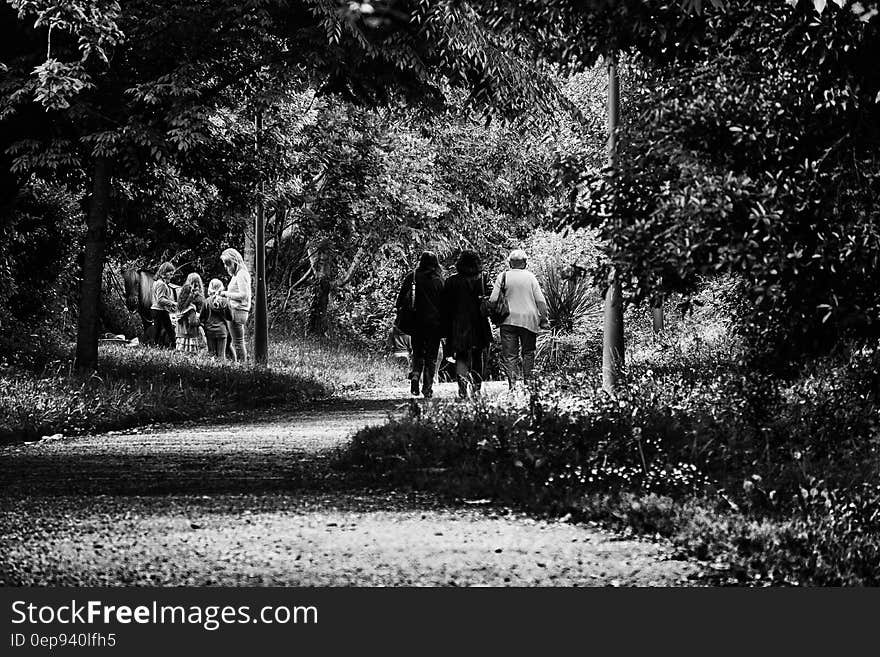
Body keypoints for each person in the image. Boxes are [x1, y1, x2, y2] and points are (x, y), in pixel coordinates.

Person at [489, 249, 548, 390]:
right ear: (525, 263)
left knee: (510, 355)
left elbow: (492, 300)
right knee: (528, 352)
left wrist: (493, 312)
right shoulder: (530, 277)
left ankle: (513, 386)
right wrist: (544, 318)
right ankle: (528, 383)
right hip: (529, 320)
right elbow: (540, 301)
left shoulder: (502, 276)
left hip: (507, 320)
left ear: (510, 263)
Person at [442, 250, 492, 399]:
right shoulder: (483, 279)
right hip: (479, 323)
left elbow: (445, 306)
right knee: (478, 356)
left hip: (458, 324)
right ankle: (477, 389)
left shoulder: (451, 281)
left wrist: (445, 328)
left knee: (461, 357)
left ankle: (462, 389)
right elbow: (491, 298)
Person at [395, 251, 445, 398]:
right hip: (434, 323)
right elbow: (445, 304)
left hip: (415, 321)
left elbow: (400, 301)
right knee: (431, 356)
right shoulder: (439, 280)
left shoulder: (412, 276)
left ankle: (416, 375)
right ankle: (427, 388)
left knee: (417, 353)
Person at [219, 248, 252, 363]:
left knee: (238, 342)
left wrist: (225, 294)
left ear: (234, 261)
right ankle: (232, 362)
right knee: (229, 340)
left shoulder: (242, 274)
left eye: (227, 264)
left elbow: (244, 295)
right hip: (234, 311)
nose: (226, 267)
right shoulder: (237, 274)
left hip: (238, 311)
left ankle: (243, 366)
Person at [202, 278, 233, 360]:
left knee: (211, 355)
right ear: (221, 288)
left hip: (209, 331)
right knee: (221, 356)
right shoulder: (225, 302)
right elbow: (230, 317)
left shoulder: (206, 302)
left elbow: (202, 317)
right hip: (222, 331)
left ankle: (211, 371)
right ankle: (221, 371)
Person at [175, 273, 206, 353]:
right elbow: (193, 321)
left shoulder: (180, 307)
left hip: (180, 334)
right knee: (191, 354)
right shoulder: (192, 307)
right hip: (190, 333)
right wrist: (200, 321)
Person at [149, 262, 177, 348]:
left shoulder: (157, 282)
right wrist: (173, 303)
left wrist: (169, 306)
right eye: (170, 273)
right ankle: (173, 346)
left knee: (158, 330)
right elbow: (160, 300)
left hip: (157, 309)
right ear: (164, 273)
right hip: (159, 310)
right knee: (169, 330)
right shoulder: (161, 284)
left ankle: (155, 347)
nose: (171, 275)